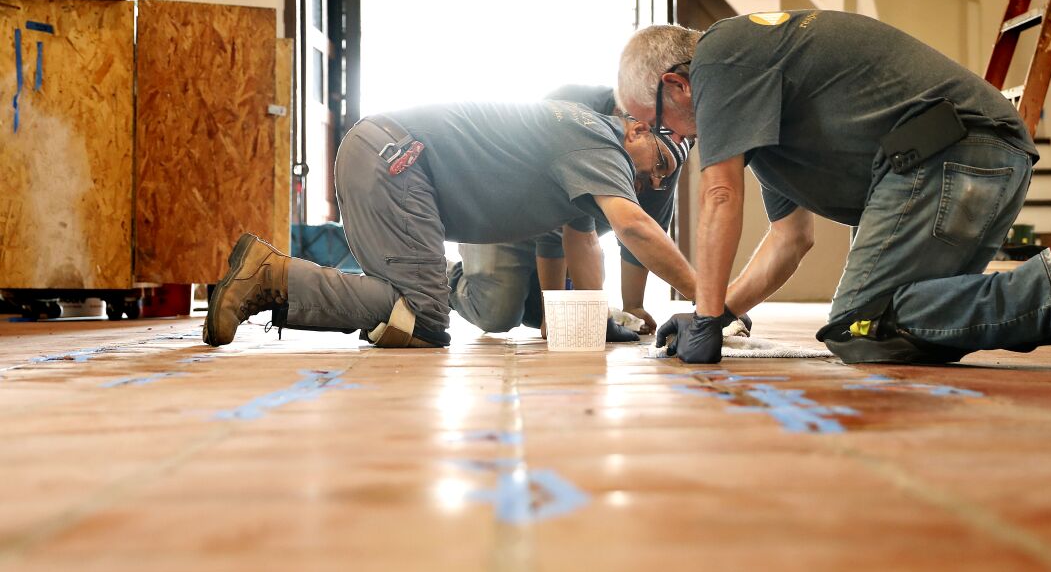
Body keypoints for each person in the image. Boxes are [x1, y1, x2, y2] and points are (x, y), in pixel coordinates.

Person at [616, 10, 1051, 373]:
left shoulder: (723, 58)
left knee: (857, 324)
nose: (677, 139)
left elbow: (718, 196)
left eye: (662, 125)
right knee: (880, 333)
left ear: (677, 85)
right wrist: (721, 312)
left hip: (953, 155)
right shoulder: (762, 122)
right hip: (973, 161)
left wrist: (706, 316)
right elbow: (790, 239)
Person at [202, 99, 697, 348]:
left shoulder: (588, 156)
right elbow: (633, 227)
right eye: (658, 164)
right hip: (395, 162)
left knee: (414, 323)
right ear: (637, 129)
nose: (650, 180)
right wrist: (710, 299)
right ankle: (271, 276)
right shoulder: (601, 140)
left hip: (385, 159)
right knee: (424, 317)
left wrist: (590, 322)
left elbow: (578, 242)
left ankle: (275, 283)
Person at [449, 84, 689, 338]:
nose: (655, 182)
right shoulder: (573, 109)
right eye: (659, 167)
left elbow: (640, 238)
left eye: (662, 174)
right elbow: (556, 229)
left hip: (569, 239)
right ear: (637, 128)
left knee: (550, 314)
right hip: (500, 214)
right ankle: (449, 278)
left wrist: (633, 307)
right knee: (498, 314)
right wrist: (551, 315)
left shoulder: (661, 158)